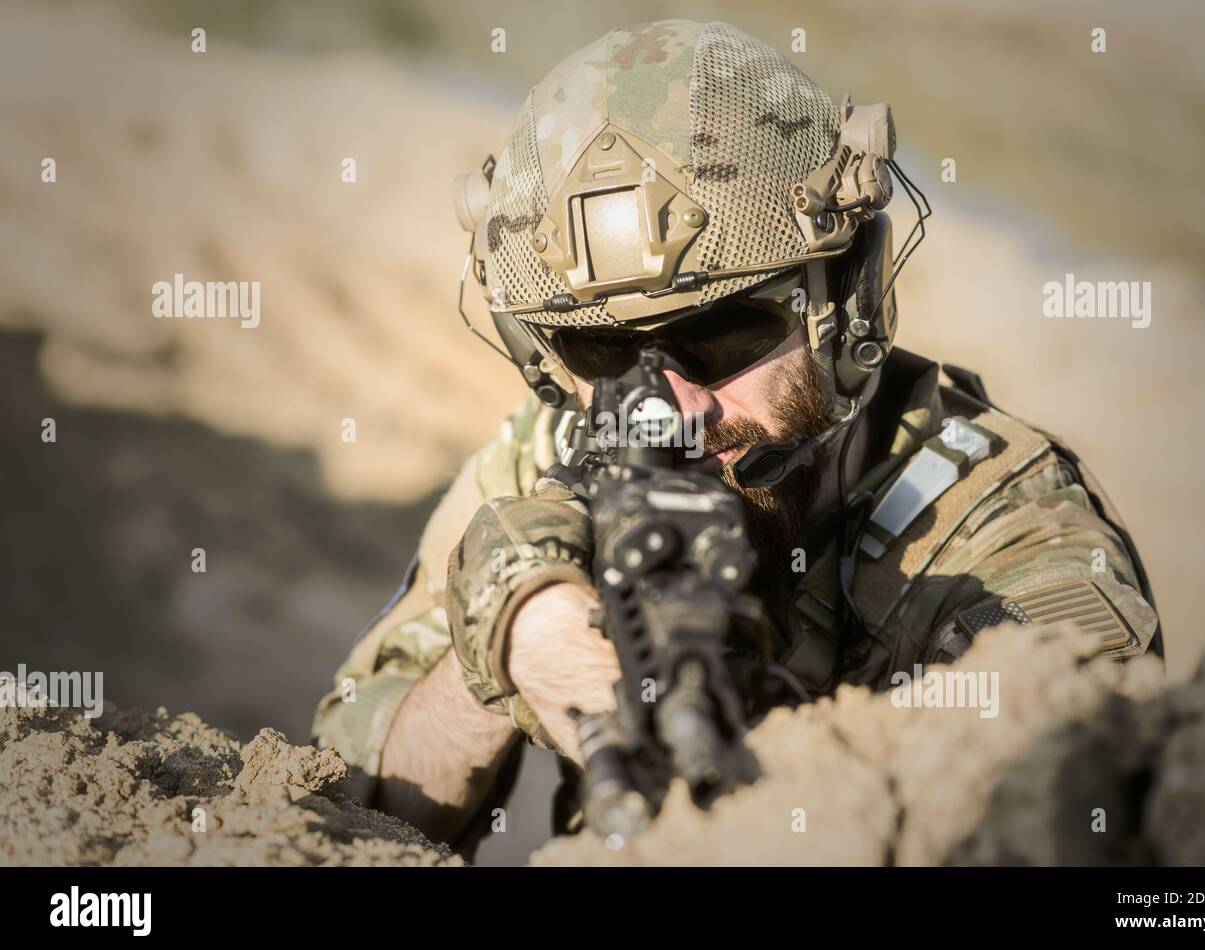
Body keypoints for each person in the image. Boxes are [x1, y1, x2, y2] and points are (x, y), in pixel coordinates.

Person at [313, 19, 1161, 853]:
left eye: (722, 335)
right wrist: (502, 651)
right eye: (601, 350)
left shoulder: (1012, 542)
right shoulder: (540, 465)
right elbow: (340, 812)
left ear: (846, 307)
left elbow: (1081, 825)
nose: (671, 408)